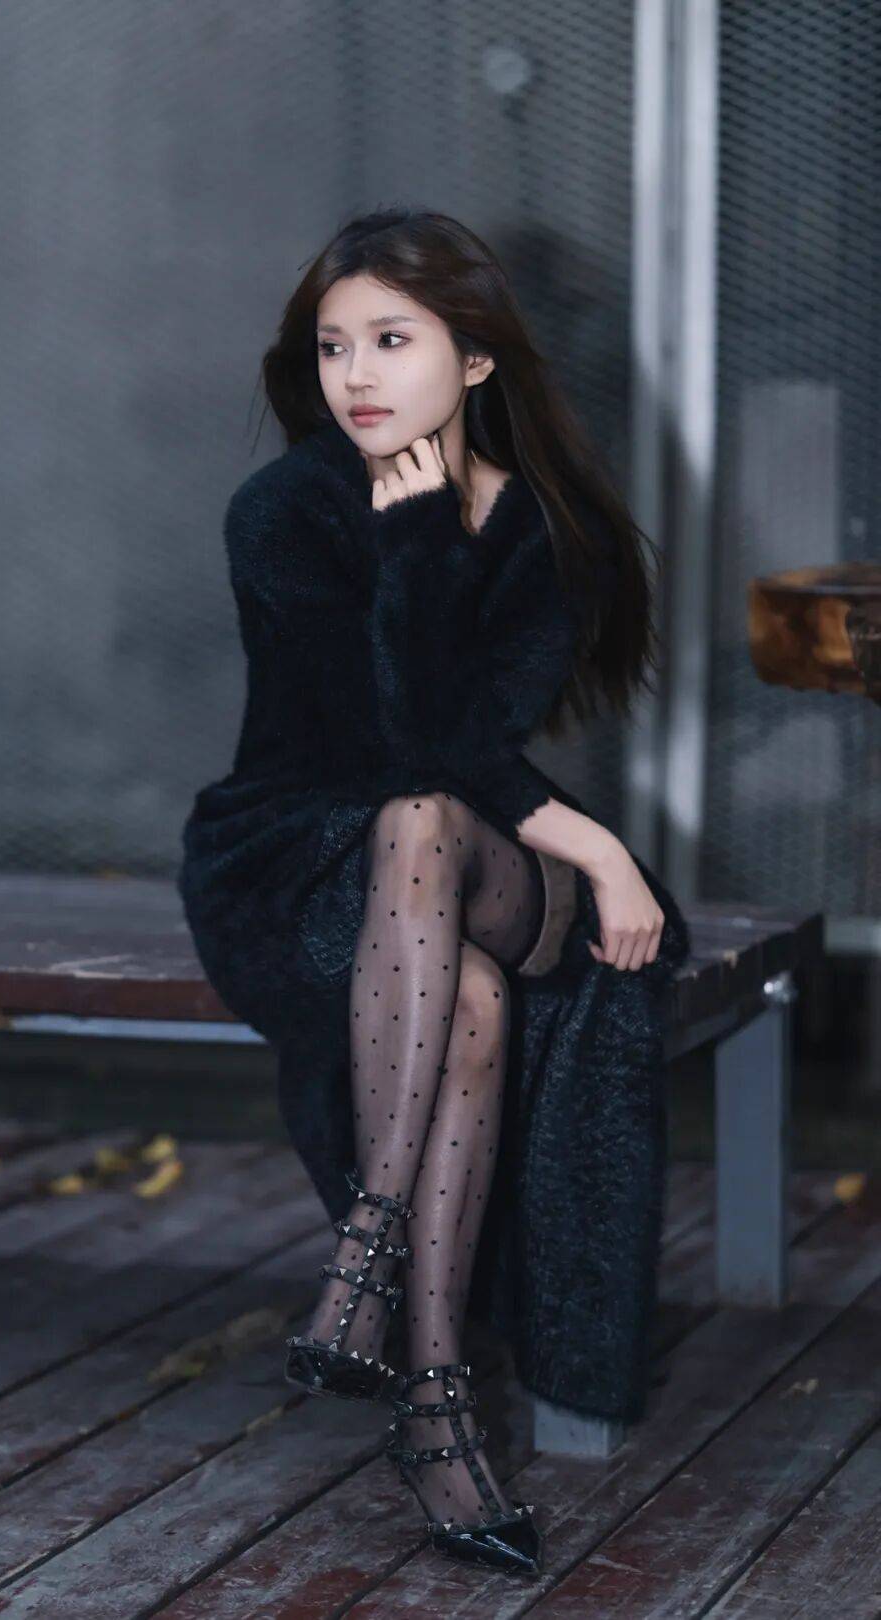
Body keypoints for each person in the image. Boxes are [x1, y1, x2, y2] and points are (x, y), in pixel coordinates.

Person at [178, 208, 691, 1577]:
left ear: (474, 359)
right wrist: (405, 542)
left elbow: (452, 748)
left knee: (424, 824)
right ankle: (439, 1405)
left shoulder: (551, 534)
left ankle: (364, 1260)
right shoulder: (284, 512)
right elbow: (386, 739)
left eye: (391, 340)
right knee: (459, 985)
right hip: (289, 858)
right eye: (333, 345)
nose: (355, 375)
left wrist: (595, 854)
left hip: (478, 844)